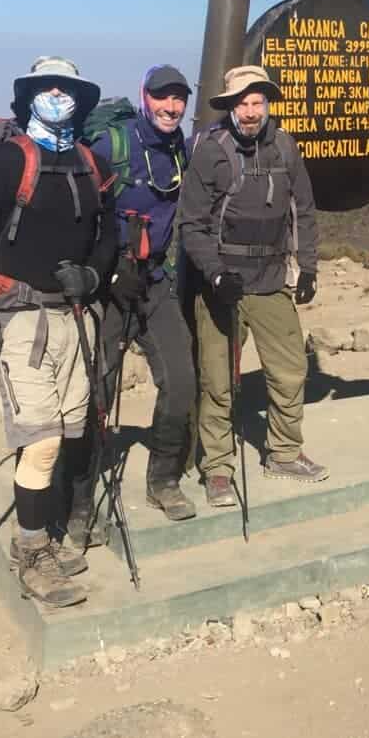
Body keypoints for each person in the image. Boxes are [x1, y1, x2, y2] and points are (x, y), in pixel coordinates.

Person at [0, 55, 116, 607]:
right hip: (21, 318)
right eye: (46, 87)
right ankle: (31, 551)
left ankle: (41, 538)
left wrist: (93, 272)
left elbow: (108, 231)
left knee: (70, 430)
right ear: (27, 97)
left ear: (81, 98)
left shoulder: (88, 162)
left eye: (66, 87)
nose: (57, 94)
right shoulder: (6, 162)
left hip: (73, 317)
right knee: (44, 440)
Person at [179, 65, 324, 506]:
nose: (250, 110)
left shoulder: (284, 147)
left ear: (267, 103)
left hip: (273, 278)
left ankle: (283, 452)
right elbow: (193, 224)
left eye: (257, 101)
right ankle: (218, 469)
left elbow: (305, 209)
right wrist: (216, 274)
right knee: (218, 381)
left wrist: (310, 267)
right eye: (242, 102)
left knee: (290, 370)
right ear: (229, 106)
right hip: (223, 281)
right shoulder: (210, 151)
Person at [89, 65, 198, 522]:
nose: (171, 107)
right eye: (162, 97)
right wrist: (109, 268)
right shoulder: (110, 146)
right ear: (143, 96)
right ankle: (83, 489)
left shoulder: (181, 151)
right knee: (98, 388)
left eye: (178, 99)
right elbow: (81, 215)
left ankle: (164, 480)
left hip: (155, 281)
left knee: (181, 381)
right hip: (111, 285)